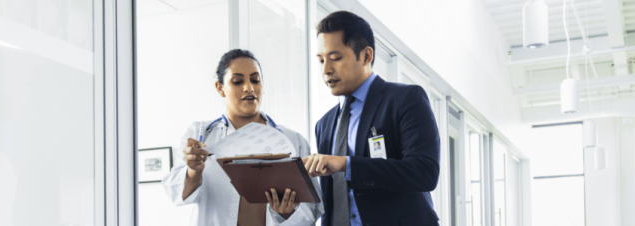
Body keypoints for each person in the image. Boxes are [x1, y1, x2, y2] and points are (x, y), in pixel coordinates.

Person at [302, 11, 440, 226]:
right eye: (321, 60)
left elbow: (424, 172)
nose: (326, 70)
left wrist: (345, 164)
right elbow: (333, 199)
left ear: (366, 56)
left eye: (336, 58)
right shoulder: (324, 124)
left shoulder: (405, 99)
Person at [163, 49, 324, 226]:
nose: (249, 87)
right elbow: (177, 194)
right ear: (220, 88)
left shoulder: (294, 140)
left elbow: (311, 211)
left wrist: (286, 213)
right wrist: (194, 171)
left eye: (255, 80)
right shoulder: (200, 134)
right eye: (238, 81)